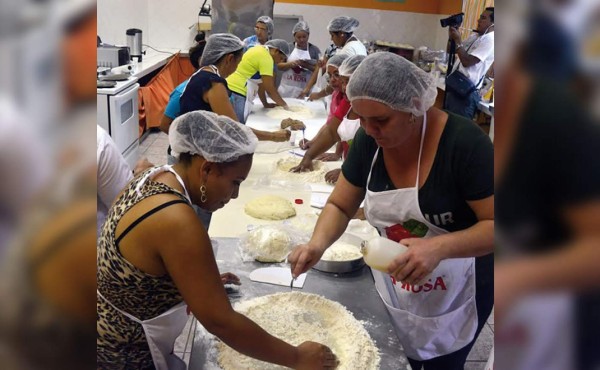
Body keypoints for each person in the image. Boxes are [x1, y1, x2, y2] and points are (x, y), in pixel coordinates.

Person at [288, 52, 494, 370]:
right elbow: (341, 205)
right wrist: (317, 244)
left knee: (442, 363)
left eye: (381, 120)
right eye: (362, 119)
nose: (370, 130)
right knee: (395, 357)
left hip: (459, 286)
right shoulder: (369, 141)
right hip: (398, 280)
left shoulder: (464, 145)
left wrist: (439, 247)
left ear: (414, 107)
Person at [97, 111, 338, 369]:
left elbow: (145, 265)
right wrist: (297, 357)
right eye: (235, 182)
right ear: (207, 169)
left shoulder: (153, 175)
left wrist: (195, 281)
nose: (235, 195)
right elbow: (219, 321)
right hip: (121, 351)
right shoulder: (176, 219)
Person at [292, 55, 366, 185]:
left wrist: (348, 170)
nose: (344, 88)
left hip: (364, 177)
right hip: (351, 174)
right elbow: (332, 132)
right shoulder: (348, 101)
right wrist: (308, 156)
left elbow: (374, 154)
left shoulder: (374, 111)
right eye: (343, 82)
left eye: (348, 82)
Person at [444, 7, 495, 119]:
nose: (478, 20)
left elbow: (467, 62)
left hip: (465, 93)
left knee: (457, 131)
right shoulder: (475, 36)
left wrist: (458, 40)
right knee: (447, 126)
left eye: (483, 18)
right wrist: (452, 35)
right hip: (455, 86)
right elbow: (450, 50)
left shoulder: (490, 40)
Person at [227, 39, 291, 124]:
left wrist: (265, 103)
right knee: (238, 127)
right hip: (238, 92)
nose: (280, 62)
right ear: (276, 51)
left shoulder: (258, 50)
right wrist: (285, 106)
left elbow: (261, 85)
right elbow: (270, 89)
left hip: (230, 88)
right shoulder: (266, 58)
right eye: (281, 58)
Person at [305, 16, 367, 102]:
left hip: (346, 98)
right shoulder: (357, 44)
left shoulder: (348, 50)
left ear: (341, 34)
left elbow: (338, 81)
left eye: (332, 35)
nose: (331, 39)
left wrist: (318, 95)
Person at [277, 21, 321, 98]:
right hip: (286, 89)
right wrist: (290, 64)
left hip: (304, 89)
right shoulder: (288, 47)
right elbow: (279, 66)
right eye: (299, 37)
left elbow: (319, 70)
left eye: (304, 37)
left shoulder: (314, 50)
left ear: (308, 35)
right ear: (294, 36)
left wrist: (305, 65)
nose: (302, 40)